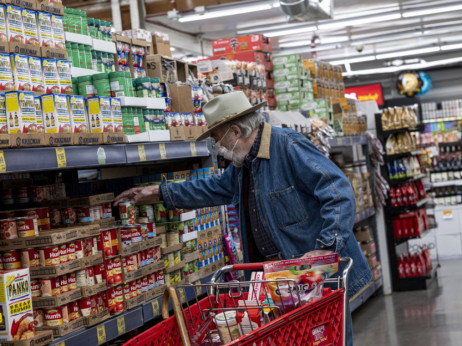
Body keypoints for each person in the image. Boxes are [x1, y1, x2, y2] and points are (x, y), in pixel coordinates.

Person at [115, 91, 372, 345]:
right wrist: (158, 192)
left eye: (218, 138)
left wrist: (325, 248)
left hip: (311, 278)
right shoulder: (242, 166)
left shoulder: (288, 146)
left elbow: (338, 192)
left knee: (324, 339)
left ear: (236, 132)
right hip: (275, 281)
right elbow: (211, 188)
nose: (218, 146)